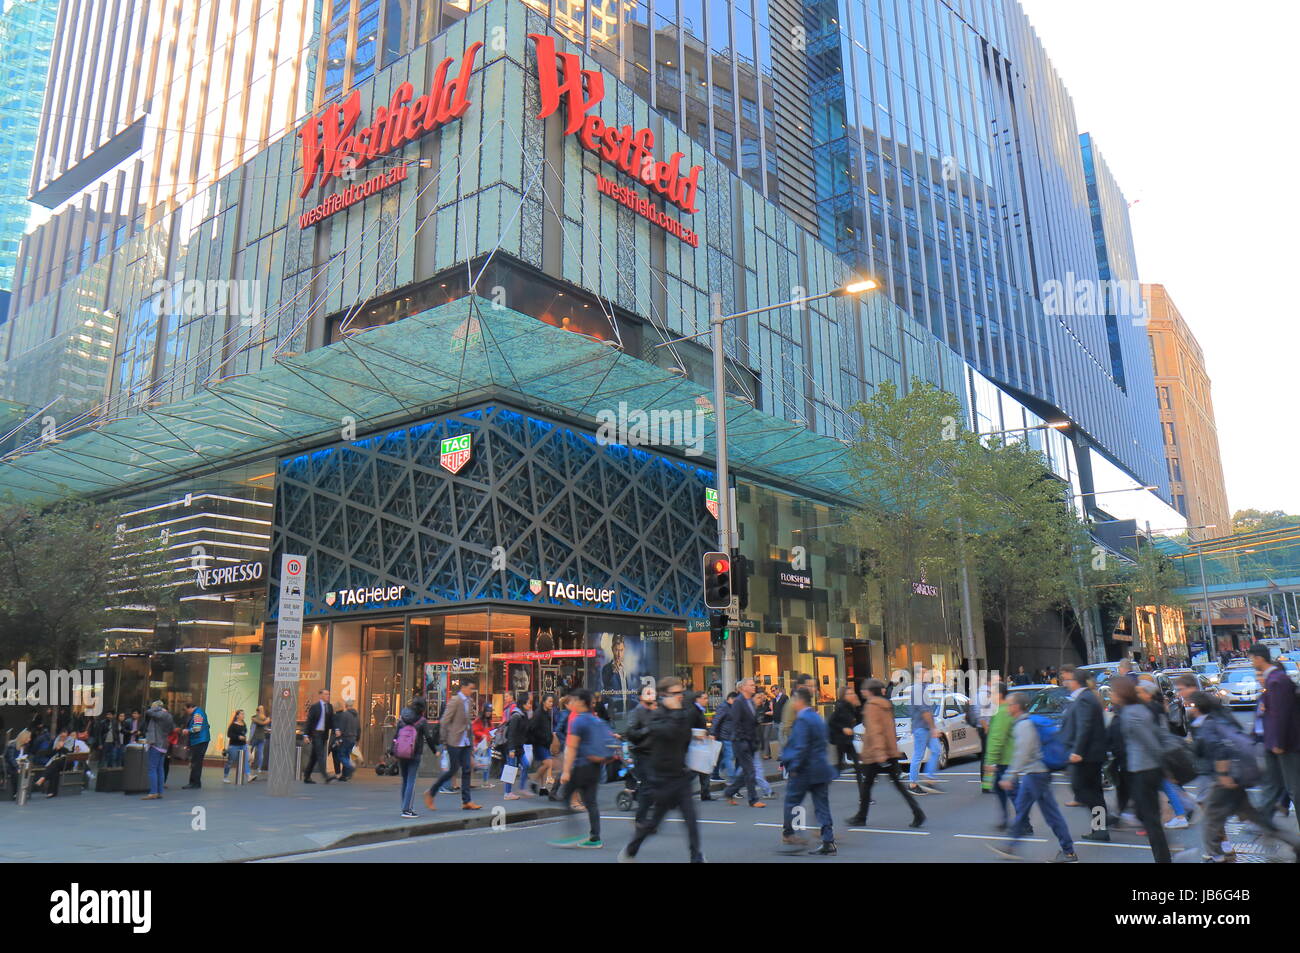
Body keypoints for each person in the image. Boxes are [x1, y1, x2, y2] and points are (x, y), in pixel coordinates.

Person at [1187, 690, 1300, 862]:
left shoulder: (1208, 724)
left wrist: (1224, 775)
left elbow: (1220, 750)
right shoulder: (1222, 718)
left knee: (1210, 817)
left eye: (1191, 705)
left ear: (1198, 706)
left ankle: (1215, 855)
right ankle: (1295, 842)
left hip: (1225, 780)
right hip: (1237, 777)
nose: (1189, 708)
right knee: (1257, 818)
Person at [618, 677, 706, 863]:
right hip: (662, 779)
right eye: (676, 693)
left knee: (691, 820)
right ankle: (632, 849)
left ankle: (696, 856)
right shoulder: (656, 715)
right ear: (665, 695)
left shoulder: (683, 714)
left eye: (681, 692)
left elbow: (683, 736)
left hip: (680, 777)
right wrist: (674, 713)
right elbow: (666, 733)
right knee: (653, 823)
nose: (680, 696)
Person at [989, 692, 1078, 862]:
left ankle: (1069, 852)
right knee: (1022, 811)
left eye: (1009, 704)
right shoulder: (1024, 723)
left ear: (1016, 707)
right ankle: (1011, 846)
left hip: (1037, 775)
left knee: (1051, 815)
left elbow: (1022, 753)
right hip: (1034, 775)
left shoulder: (1023, 726)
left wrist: (1009, 776)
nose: (1007, 707)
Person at [1111, 677, 1172, 863]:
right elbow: (1158, 733)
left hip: (1143, 770)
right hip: (1145, 769)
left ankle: (1163, 859)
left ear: (1121, 694)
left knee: (1150, 820)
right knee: (1147, 817)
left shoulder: (1131, 713)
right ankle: (1163, 857)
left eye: (1113, 692)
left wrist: (1164, 765)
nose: (1111, 695)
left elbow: (1150, 740)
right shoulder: (1140, 709)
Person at [848, 678, 924, 828]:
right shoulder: (886, 704)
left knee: (867, 785)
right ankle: (917, 812)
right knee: (896, 785)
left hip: (876, 753)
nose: (862, 691)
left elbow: (875, 730)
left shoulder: (871, 706)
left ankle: (861, 817)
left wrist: (878, 752)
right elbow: (890, 729)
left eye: (864, 689)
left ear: (869, 691)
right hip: (889, 751)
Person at [548, 688, 611, 849]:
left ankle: (574, 833)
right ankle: (595, 837)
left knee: (566, 797)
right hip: (595, 767)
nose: (572, 703)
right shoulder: (595, 719)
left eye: (574, 700)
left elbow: (572, 747)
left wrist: (566, 771)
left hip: (581, 766)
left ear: (581, 702)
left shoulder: (578, 721)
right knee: (591, 802)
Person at [779, 686, 837, 854]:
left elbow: (801, 746)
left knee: (791, 802)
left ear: (799, 701)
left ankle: (790, 835)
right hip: (820, 768)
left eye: (794, 701)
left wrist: (794, 767)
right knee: (821, 806)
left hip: (805, 769)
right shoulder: (817, 717)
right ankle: (828, 840)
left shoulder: (803, 719)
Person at [1250, 643, 1300, 830]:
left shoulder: (1276, 680)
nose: (1251, 663)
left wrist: (1278, 742)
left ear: (1258, 658)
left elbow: (1281, 714)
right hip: (1275, 744)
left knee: (1294, 789)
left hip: (1286, 744)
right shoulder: (1273, 680)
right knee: (1279, 785)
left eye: (1251, 659)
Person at [1059, 664, 1110, 841]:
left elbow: (1085, 726)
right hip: (1090, 754)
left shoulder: (1085, 699)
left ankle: (1102, 824)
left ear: (1075, 681)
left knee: (1082, 789)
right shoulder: (1084, 697)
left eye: (1067, 680)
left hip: (1087, 755)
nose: (1065, 682)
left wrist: (1078, 751)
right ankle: (1100, 828)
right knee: (1093, 791)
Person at [1135, 676, 1192, 830]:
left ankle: (1182, 812)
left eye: (1140, 691)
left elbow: (1155, 731)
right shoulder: (1154, 706)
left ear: (1148, 693)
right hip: (1160, 750)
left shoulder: (1151, 708)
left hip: (1158, 751)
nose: (1137, 694)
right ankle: (1183, 810)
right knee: (1166, 783)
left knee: (1165, 784)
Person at [426, 677, 482, 811]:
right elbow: (445, 721)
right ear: (463, 687)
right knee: (453, 770)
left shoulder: (469, 701)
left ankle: (466, 801)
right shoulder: (455, 701)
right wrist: (444, 740)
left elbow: (468, 723)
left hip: (465, 742)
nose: (471, 691)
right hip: (454, 741)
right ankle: (431, 792)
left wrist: (471, 740)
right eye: (470, 688)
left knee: (467, 769)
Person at [721, 678, 766, 808]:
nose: (754, 687)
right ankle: (753, 799)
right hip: (741, 742)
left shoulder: (750, 702)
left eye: (754, 685)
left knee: (746, 771)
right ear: (743, 687)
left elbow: (752, 723)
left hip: (751, 742)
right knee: (751, 771)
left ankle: (729, 792)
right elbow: (736, 724)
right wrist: (742, 740)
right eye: (751, 685)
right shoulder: (738, 702)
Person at [394, 698, 439, 817]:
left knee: (404, 780)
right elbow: (428, 738)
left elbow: (396, 735)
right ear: (423, 708)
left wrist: (393, 749)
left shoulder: (403, 717)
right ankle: (407, 809)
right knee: (411, 781)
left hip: (402, 752)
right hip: (415, 753)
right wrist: (435, 751)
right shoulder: (422, 721)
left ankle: (404, 807)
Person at [982, 682, 1016, 828]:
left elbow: (997, 738)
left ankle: (1022, 821)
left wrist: (990, 761)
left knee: (1010, 791)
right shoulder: (1003, 710)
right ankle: (1007, 819)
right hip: (1007, 757)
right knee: (1001, 787)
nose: (990, 696)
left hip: (1005, 759)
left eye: (992, 693)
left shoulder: (1001, 712)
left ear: (1000, 695)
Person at [907, 668, 944, 796]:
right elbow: (925, 712)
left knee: (937, 750)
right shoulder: (918, 690)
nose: (928, 675)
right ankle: (912, 784)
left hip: (924, 727)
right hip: (921, 728)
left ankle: (929, 778)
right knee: (918, 755)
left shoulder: (922, 689)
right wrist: (933, 728)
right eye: (925, 673)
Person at [623, 684, 657, 822]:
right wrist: (647, 730)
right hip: (642, 753)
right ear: (641, 697)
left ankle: (646, 817)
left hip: (654, 752)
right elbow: (630, 733)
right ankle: (641, 819)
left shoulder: (654, 711)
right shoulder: (636, 712)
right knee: (647, 785)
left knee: (651, 784)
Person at [502, 692, 534, 800]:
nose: (530, 705)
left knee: (525, 765)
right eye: (528, 703)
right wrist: (511, 749)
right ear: (523, 703)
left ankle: (521, 788)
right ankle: (507, 793)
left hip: (519, 747)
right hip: (512, 747)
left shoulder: (523, 715)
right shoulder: (516, 716)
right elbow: (511, 733)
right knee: (511, 769)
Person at [527, 692, 559, 796]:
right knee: (548, 763)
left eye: (552, 702)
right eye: (549, 701)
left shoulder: (547, 713)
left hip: (545, 743)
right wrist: (539, 738)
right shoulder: (538, 714)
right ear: (544, 702)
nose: (551, 704)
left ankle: (542, 787)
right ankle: (534, 781)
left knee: (544, 764)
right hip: (539, 743)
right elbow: (531, 728)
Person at [141, 701, 173, 800]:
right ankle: (159, 791)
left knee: (152, 769)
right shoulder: (168, 715)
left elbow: (148, 712)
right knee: (160, 769)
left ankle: (153, 792)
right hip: (164, 745)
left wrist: (156, 708)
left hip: (156, 744)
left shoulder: (159, 714)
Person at [302, 689, 335, 784]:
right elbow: (309, 721)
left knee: (314, 757)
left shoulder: (329, 707)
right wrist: (306, 735)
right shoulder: (315, 707)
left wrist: (336, 729)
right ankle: (325, 776)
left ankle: (307, 776)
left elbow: (332, 720)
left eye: (328, 694)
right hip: (316, 734)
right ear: (320, 696)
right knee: (321, 754)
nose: (328, 696)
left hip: (323, 735)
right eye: (325, 694)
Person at [828, 685, 861, 775]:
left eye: (852, 693)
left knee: (856, 765)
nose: (852, 695)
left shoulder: (850, 706)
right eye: (849, 693)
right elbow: (831, 721)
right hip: (841, 740)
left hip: (848, 739)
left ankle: (863, 788)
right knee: (839, 766)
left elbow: (858, 719)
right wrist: (843, 729)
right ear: (844, 695)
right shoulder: (840, 706)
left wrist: (858, 706)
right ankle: (827, 781)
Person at [182, 701, 210, 789]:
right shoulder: (199, 712)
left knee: (196, 762)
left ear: (190, 707)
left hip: (199, 741)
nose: (186, 712)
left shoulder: (197, 714)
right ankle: (195, 782)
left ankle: (194, 783)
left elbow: (197, 728)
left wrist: (188, 731)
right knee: (196, 762)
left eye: (186, 709)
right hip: (200, 740)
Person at [334, 699, 359, 781]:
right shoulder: (356, 715)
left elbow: (340, 728)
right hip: (353, 738)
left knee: (341, 755)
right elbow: (359, 728)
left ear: (346, 705)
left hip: (346, 738)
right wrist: (357, 739)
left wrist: (338, 739)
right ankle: (345, 775)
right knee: (348, 756)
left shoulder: (344, 715)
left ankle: (350, 767)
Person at [223, 710, 248, 783]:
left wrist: (245, 739)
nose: (243, 715)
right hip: (234, 745)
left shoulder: (244, 724)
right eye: (242, 714)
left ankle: (248, 775)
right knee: (230, 761)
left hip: (243, 745)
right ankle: (225, 776)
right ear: (237, 716)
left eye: (244, 714)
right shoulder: (233, 725)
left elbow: (244, 732)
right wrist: (238, 737)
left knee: (245, 760)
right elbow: (229, 734)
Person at [249, 706, 271, 773]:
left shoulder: (254, 718)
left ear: (257, 711)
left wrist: (249, 738)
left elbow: (252, 729)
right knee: (260, 753)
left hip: (255, 737)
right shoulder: (265, 718)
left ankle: (247, 765)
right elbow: (265, 727)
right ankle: (259, 768)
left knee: (249, 751)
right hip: (261, 737)